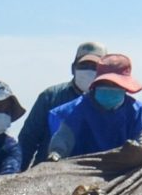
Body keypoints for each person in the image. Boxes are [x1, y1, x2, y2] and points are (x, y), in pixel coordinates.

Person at [45, 53, 142, 159]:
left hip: (123, 169)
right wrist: (56, 153)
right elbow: (64, 137)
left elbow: (141, 142)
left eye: (115, 85)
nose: (110, 88)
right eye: (105, 83)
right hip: (81, 168)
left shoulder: (137, 111)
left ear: (125, 88)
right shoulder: (77, 109)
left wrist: (139, 153)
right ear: (97, 84)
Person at [17, 40, 105, 168]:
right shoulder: (51, 96)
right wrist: (17, 175)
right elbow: (28, 140)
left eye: (95, 67)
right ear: (73, 68)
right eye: (84, 65)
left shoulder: (112, 103)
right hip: (49, 172)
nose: (89, 71)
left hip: (91, 175)